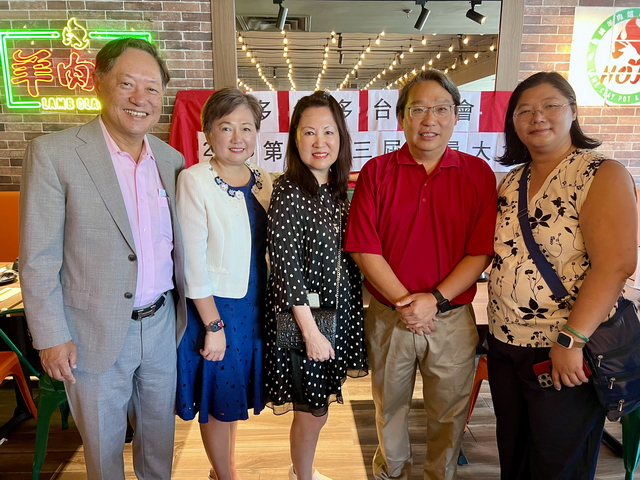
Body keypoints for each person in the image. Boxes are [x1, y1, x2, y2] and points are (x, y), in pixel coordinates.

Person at [19, 38, 186, 480]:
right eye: (127, 83)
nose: (140, 98)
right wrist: (51, 336)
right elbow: (37, 258)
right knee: (103, 450)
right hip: (90, 332)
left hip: (161, 323)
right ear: (100, 83)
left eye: (152, 88)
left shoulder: (171, 160)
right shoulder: (55, 154)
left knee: (159, 443)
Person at [344, 69, 497, 480]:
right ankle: (392, 471)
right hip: (389, 317)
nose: (430, 120)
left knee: (448, 412)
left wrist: (434, 300)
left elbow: (480, 251)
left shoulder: (478, 174)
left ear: (456, 116)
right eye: (418, 109)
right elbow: (363, 247)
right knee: (388, 406)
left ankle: (439, 476)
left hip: (451, 319)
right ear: (401, 117)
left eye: (441, 109)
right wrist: (407, 304)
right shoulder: (376, 172)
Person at [487, 71, 637, 479]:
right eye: (524, 111)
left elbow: (616, 265)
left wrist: (571, 340)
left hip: (565, 348)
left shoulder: (600, 173)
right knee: (514, 454)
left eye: (550, 105)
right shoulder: (511, 181)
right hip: (505, 343)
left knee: (558, 463)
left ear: (573, 111)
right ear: (513, 123)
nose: (537, 117)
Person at [264, 91, 368, 480]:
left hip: (337, 313)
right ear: (295, 139)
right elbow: (286, 268)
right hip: (306, 317)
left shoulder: (337, 191)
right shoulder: (289, 190)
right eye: (309, 132)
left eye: (328, 132)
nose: (319, 141)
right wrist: (310, 333)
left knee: (319, 404)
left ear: (341, 137)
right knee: (312, 409)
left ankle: (302, 470)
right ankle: (301, 476)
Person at [175, 88, 272, 480]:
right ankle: (225, 474)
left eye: (246, 127)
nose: (237, 137)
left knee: (232, 397)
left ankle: (223, 470)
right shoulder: (194, 180)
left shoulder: (262, 178)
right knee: (218, 396)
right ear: (208, 133)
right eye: (226, 126)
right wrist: (213, 325)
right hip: (215, 308)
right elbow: (191, 261)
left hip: (254, 303)